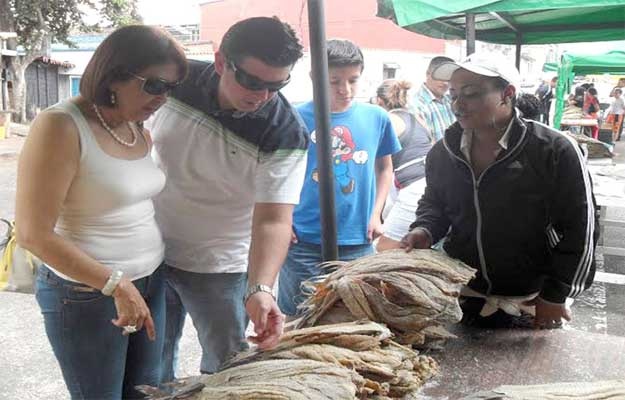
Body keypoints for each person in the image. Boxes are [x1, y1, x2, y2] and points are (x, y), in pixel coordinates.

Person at [15, 25, 187, 399]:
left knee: (145, 392)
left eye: (171, 89)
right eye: (155, 85)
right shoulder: (61, 125)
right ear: (116, 73)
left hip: (149, 280)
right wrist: (114, 283)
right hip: (89, 293)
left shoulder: (136, 125)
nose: (163, 98)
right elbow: (32, 232)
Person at [148, 17, 308, 379]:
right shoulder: (177, 82)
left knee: (229, 369)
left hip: (220, 266)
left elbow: (274, 219)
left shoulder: (285, 132)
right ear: (221, 62)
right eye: (251, 81)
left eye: (276, 85)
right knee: (152, 363)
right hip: (150, 251)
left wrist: (261, 287)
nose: (261, 96)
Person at [400, 53, 597, 331]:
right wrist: (424, 229)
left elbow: (581, 227)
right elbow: (435, 204)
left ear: (507, 94)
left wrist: (556, 293)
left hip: (533, 299)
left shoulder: (553, 150)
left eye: (470, 94)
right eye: (454, 94)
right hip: (464, 293)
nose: (458, 104)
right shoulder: (442, 153)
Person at [277, 39, 401, 317]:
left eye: (353, 80)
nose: (345, 90)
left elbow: (384, 169)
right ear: (314, 77)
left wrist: (376, 213)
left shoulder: (377, 118)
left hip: (358, 239)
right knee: (302, 318)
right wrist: (282, 220)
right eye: (334, 81)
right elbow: (274, 174)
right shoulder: (292, 117)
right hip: (302, 241)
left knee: (358, 316)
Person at [373, 79, 432, 251]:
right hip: (430, 182)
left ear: (379, 102)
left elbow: (375, 164)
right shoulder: (418, 119)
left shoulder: (387, 120)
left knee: (384, 248)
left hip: (413, 188)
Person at [412, 56, 456, 141]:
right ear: (428, 74)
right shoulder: (417, 105)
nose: (445, 83)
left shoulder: (451, 101)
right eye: (440, 77)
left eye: (449, 78)